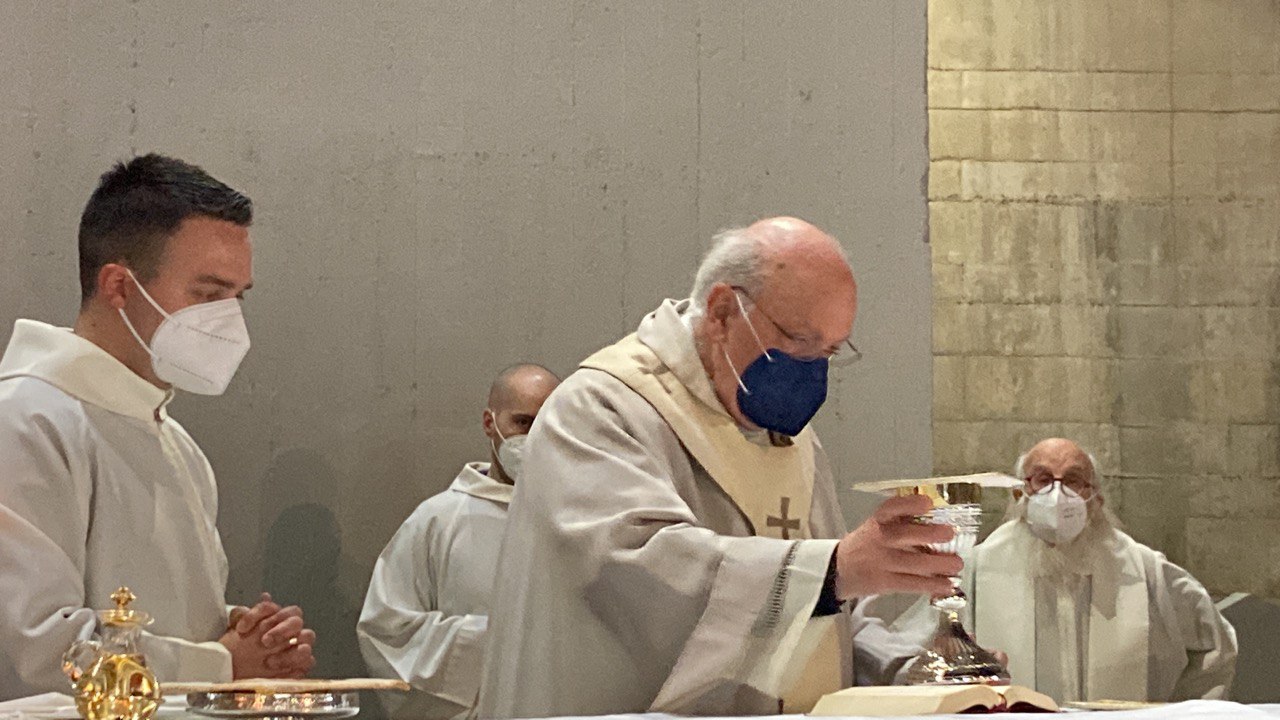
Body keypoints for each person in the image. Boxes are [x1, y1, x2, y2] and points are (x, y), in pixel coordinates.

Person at [477, 217, 962, 718]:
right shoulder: (600, 410)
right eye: (799, 341)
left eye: (830, 351)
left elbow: (827, 616)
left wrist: (916, 670)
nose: (813, 370)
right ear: (723, 312)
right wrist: (831, 570)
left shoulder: (790, 439)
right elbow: (644, 585)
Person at [0, 154, 315, 700]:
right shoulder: (25, 421)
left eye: (237, 297)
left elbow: (168, 615)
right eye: (208, 295)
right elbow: (34, 648)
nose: (229, 322)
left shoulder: (177, 445)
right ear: (119, 286)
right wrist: (222, 664)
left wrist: (244, 635)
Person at [855, 438, 1237, 702]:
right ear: (1021, 494)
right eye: (1042, 479)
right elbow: (908, 651)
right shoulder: (978, 567)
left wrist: (1180, 712)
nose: (1058, 494)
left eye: (1073, 480)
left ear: (1095, 496)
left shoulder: (1144, 570)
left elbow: (1215, 646)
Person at [358, 365, 560, 718]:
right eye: (523, 423)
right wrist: (499, 640)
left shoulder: (581, 520)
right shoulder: (437, 520)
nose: (535, 436)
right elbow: (387, 635)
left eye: (548, 423)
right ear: (489, 423)